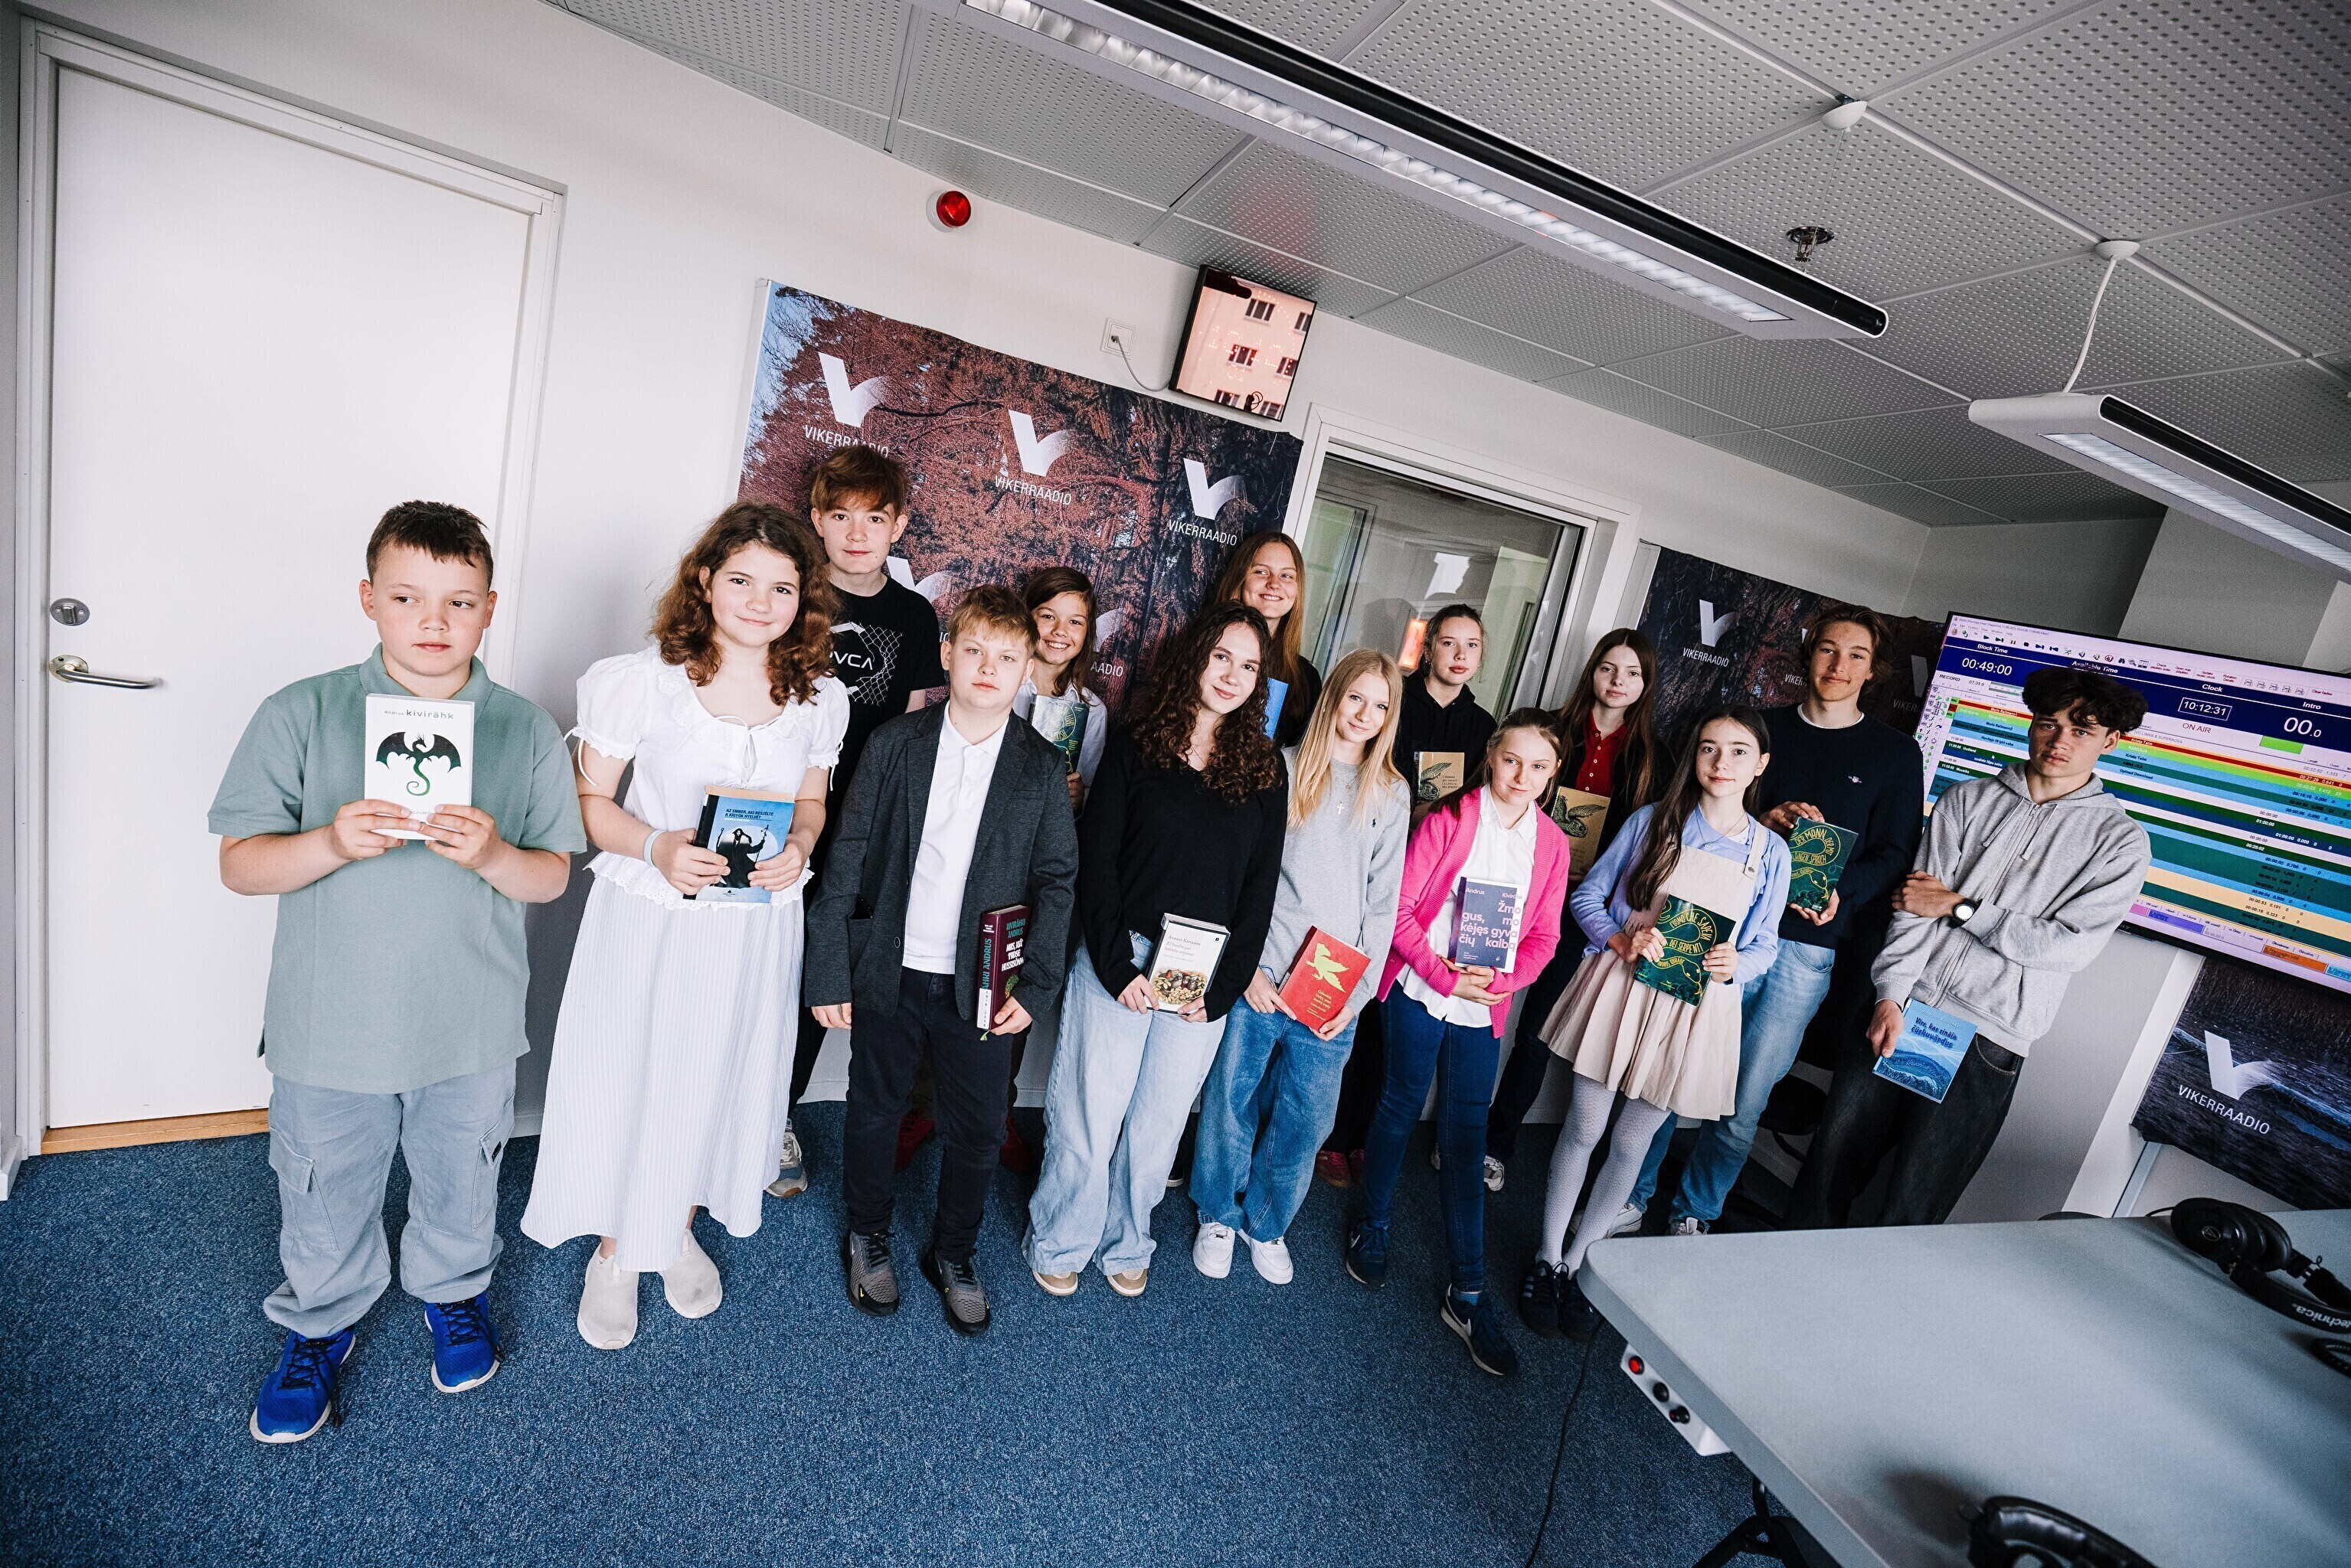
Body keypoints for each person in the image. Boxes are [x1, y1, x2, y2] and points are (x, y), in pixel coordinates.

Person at [211, 501, 584, 1442]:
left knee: (462, 1173)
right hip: (330, 1018)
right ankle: (319, 1321)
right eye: (409, 596)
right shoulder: (301, 711)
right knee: (323, 1182)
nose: (433, 620)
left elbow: (549, 875)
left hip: (469, 1020)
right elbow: (241, 866)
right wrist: (331, 841)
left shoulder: (523, 728)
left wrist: (492, 853)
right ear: (367, 598)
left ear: (489, 608)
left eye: (459, 600)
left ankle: (453, 1292)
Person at [522, 502, 845, 1351]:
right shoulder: (644, 681)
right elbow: (586, 802)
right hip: (655, 917)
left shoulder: (820, 698)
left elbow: (811, 804)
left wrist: (800, 847)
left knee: (718, 1074)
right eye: (741, 579)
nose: (760, 602)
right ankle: (617, 1251)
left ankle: (674, 1224)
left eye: (782, 587)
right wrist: (656, 844)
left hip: (755, 927)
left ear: (804, 598)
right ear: (705, 580)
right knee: (638, 1074)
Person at [806, 586, 1081, 1335]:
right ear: (948, 655)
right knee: (874, 1109)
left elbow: (1058, 880)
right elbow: (848, 855)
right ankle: (868, 1233)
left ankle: (954, 1251)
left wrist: (1038, 983)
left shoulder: (1039, 765)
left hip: (987, 984)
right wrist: (830, 966)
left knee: (980, 1128)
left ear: (1026, 669)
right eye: (975, 651)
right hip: (890, 968)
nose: (989, 667)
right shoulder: (895, 744)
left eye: (1007, 657)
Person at [1787, 668, 2151, 1230]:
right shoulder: (1967, 801)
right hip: (1905, 1012)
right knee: (1827, 1175)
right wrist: (1891, 995)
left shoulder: (2120, 842)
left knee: (1915, 1205)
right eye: (2048, 724)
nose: (2059, 741)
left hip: (1988, 1037)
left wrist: (1961, 908)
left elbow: (2067, 947)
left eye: (2081, 731)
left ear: (2110, 742)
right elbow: (1915, 904)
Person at [1608, 607, 1923, 1237]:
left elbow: (1895, 854)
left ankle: (1695, 1212)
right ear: (1808, 655)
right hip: (1717, 927)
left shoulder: (1894, 754)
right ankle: (1630, 1197)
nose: (1838, 665)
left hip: (1805, 947)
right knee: (1670, 1070)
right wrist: (1761, 820)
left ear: (1873, 671)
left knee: (1745, 1099)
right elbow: (1703, 806)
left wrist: (1841, 893)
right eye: (1828, 649)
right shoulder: (1758, 731)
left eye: (1855, 655)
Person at [1024, 603, 1289, 1298]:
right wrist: (1116, 965)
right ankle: (1061, 1238)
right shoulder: (1139, 741)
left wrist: (1224, 989)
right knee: (1090, 1111)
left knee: (1159, 1124)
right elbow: (1098, 859)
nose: (1231, 675)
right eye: (1222, 656)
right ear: (1197, 657)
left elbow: (1259, 891)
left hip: (1201, 976)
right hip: (1122, 953)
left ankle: (1127, 1240)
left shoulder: (1265, 768)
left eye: (1248, 666)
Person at [1525, 708, 1790, 1341]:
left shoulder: (1771, 853)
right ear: (1694, 757)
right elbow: (1587, 897)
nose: (1721, 763)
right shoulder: (1652, 822)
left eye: (1738, 751)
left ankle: (1582, 1264)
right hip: (1621, 988)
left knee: (1631, 1143)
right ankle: (1547, 1256)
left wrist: (1737, 964)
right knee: (1584, 1126)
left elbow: (1767, 945)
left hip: (1692, 1011)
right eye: (1709, 748)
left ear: (1761, 764)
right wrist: (1622, 937)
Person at [1345, 712, 1572, 1379]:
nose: (1522, 776)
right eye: (1512, 761)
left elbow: (1546, 938)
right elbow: (1399, 911)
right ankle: (1373, 1222)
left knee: (1467, 1138)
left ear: (1553, 773)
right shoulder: (1448, 819)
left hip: (1483, 1003)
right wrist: (1444, 975)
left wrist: (1502, 983)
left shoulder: (1552, 844)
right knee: (1399, 1105)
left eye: (1538, 767)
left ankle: (1468, 1291)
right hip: (1422, 987)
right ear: (1491, 756)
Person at [1190, 649, 1410, 1284]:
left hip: (1331, 989)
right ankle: (1218, 1212)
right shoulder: (1279, 768)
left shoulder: (1391, 793)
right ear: (1333, 697)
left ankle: (1266, 1221)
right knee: (1231, 1097)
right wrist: (1247, 968)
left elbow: (1382, 904)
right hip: (1262, 974)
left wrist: (1358, 996)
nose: (1364, 714)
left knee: (1306, 1117)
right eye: (1355, 698)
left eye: (1380, 706)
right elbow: (1244, 876)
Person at [777, 446, 947, 1198]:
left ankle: (776, 1116)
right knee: (757, 967)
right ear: (817, 519)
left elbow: (910, 732)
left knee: (820, 974)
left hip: (857, 831)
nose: (856, 532)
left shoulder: (913, 617)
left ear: (898, 525)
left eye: (874, 518)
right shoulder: (790, 594)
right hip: (779, 814)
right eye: (840, 515)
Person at [1317, 604, 1497, 1190]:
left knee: (1394, 1022)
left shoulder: (1484, 728)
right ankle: (1333, 1138)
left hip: (1435, 890)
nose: (1460, 656)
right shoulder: (1393, 702)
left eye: (1472, 645)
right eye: (1449, 643)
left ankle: (1365, 1140)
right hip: (1374, 867)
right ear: (1429, 647)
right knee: (1358, 1009)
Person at [1483, 629, 1663, 1194]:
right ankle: (1456, 1129)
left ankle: (1494, 1146)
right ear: (1592, 671)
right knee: (1476, 1003)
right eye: (1609, 668)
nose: (1618, 681)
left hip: (1583, 910)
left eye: (1632, 673)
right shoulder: (1552, 732)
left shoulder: (1651, 757)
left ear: (1646, 683)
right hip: (1516, 886)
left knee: (1535, 1033)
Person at [983, 565, 1109, 1174]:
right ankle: (923, 1109)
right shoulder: (998, 678)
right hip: (986, 855)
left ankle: (999, 1111)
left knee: (1019, 986)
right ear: (1026, 617)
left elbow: (1092, 803)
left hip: (1041, 871)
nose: (1060, 632)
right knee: (960, 979)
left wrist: (1077, 798)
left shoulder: (1090, 710)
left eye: (1075, 622)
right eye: (1048, 616)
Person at [1212, 529, 1321, 747]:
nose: (1274, 584)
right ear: (1241, 579)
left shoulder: (1306, 679)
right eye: (1261, 572)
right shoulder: (1203, 649)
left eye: (1286, 576)